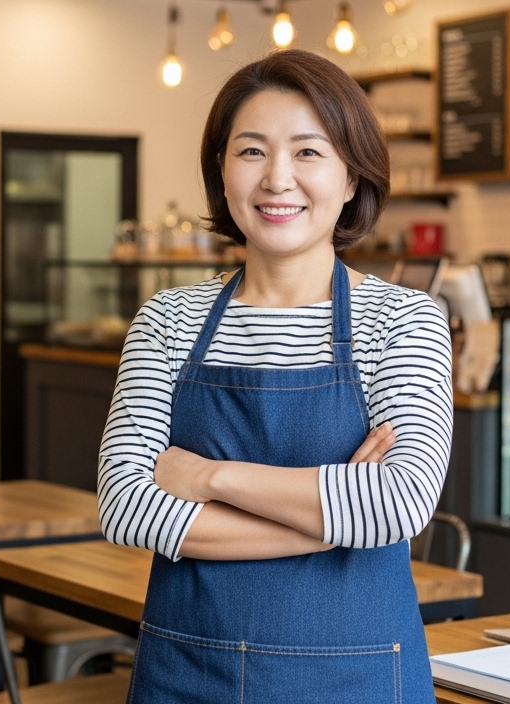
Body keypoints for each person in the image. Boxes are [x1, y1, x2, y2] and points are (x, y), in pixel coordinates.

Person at [97, 49, 452, 703]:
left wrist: (210, 478)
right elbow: (127, 508)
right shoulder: (167, 320)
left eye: (308, 152)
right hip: (187, 673)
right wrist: (340, 517)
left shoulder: (403, 320)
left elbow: (400, 502)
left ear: (352, 177)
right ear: (222, 171)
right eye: (252, 151)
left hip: (355, 679)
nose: (277, 179)